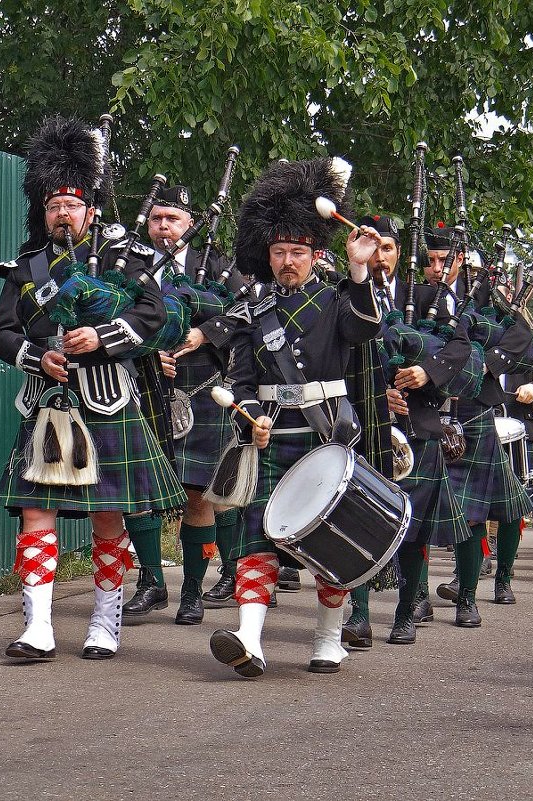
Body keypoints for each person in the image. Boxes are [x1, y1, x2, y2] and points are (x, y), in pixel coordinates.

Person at [0, 116, 186, 661]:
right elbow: (1, 333)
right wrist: (37, 355)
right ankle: (39, 627)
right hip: (48, 401)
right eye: (54, 205)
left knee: (108, 516)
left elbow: (155, 315)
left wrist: (99, 336)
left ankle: (105, 621)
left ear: (91, 211)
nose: (63, 214)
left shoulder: (125, 261)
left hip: (106, 400)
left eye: (73, 206)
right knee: (36, 514)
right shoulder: (25, 268)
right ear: (44, 211)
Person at [209, 157, 383, 677]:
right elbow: (241, 383)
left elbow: (364, 329)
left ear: (315, 255)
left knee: (328, 538)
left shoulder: (335, 301)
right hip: (272, 439)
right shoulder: (252, 312)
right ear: (268, 255)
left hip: (324, 433)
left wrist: (359, 270)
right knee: (257, 537)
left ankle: (329, 638)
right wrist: (250, 418)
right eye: (280, 252)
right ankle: (250, 639)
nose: (288, 261)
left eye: (298, 252)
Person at [342, 216, 475, 646]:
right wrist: (377, 393)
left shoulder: (427, 297)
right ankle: (358, 615)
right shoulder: (344, 297)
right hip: (364, 423)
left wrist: (426, 372)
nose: (379, 256)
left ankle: (404, 613)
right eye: (371, 246)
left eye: (387, 248)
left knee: (413, 528)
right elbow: (337, 356)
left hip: (417, 427)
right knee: (360, 522)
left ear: (399, 253)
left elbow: (461, 348)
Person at [120, 185, 244, 624]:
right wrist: (147, 348)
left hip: (200, 389)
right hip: (140, 384)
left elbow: (243, 310)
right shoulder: (128, 262)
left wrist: (202, 334)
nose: (164, 226)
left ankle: (191, 591)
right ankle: (151, 582)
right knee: (138, 490)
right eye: (156, 218)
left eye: (172, 218)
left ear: (190, 222)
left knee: (198, 492)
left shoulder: (215, 263)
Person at [423, 226, 533, 624]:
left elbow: (524, 340)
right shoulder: (416, 300)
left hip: (473, 413)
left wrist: (484, 366)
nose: (437, 269)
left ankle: (469, 596)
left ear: (459, 261)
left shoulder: (486, 299)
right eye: (430, 261)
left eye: (445, 260)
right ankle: (419, 595)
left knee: (478, 510)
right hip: (430, 412)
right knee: (429, 508)